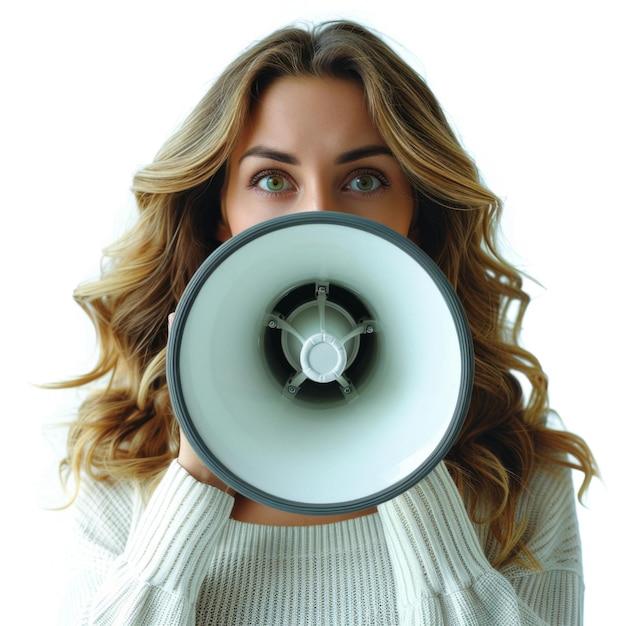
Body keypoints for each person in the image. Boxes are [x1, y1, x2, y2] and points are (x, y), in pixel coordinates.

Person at [55, 20, 596, 625]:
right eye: (272, 180)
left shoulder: (518, 484)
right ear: (220, 216)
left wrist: (407, 449)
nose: (318, 215)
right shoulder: (124, 470)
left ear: (417, 214)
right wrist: (195, 479)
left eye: (364, 180)